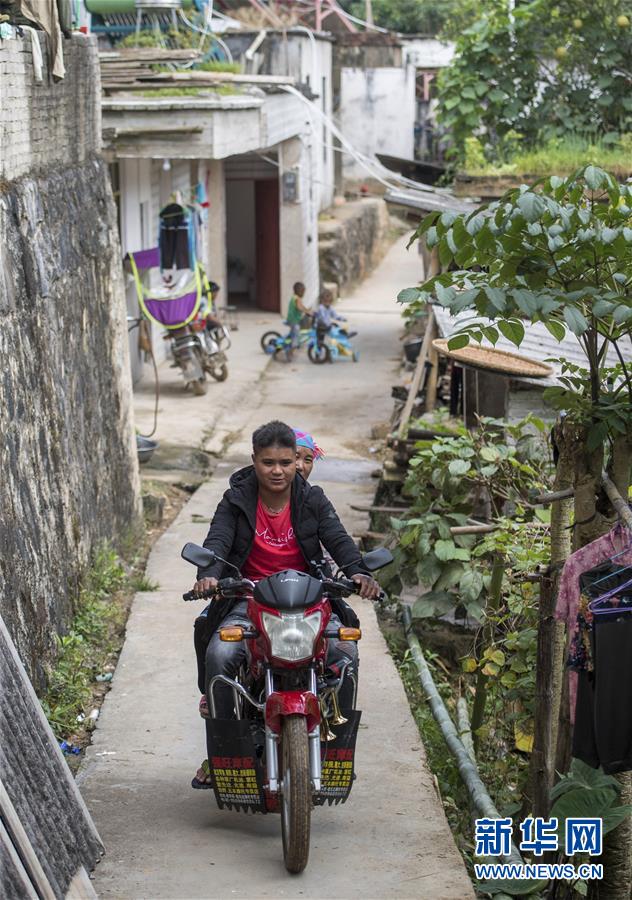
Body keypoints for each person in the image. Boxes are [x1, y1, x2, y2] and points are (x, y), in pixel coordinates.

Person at [190, 420, 379, 788]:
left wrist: (359, 573)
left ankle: (335, 754)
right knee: (219, 654)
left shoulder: (314, 500)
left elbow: (339, 540)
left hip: (310, 601)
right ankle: (228, 756)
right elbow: (218, 540)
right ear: (254, 461)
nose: (277, 471)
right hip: (249, 598)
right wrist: (209, 574)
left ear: (297, 461)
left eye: (285, 462)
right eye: (268, 462)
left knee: (345, 653)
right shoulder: (235, 500)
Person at [285, 282, 309, 358]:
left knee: (297, 331)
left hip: (294, 320)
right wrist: (307, 311)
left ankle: (290, 341)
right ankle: (290, 352)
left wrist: (308, 311)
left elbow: (302, 306)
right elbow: (299, 307)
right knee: (296, 338)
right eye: (303, 291)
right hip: (293, 321)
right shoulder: (296, 298)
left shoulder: (296, 298)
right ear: (299, 291)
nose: (304, 293)